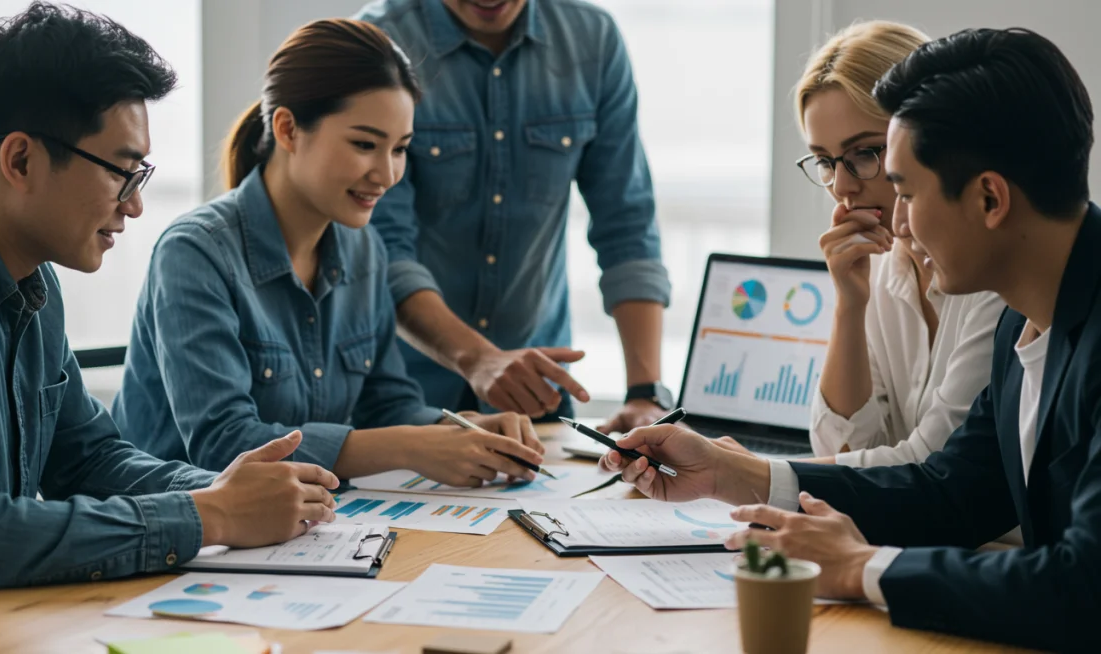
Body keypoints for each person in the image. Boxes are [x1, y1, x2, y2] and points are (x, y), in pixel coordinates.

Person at [601, 27, 1101, 651]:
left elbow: (1087, 585)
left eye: (908, 191)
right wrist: (729, 472)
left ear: (989, 198)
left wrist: (860, 567)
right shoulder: (1021, 325)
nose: (897, 219)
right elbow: (951, 491)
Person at [0, 3, 341, 622]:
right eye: (120, 173)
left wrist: (220, 490)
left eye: (142, 175)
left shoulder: (33, 281)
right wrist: (211, 514)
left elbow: (89, 458)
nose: (134, 208)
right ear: (20, 160)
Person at [113, 19, 546, 487]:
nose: (386, 174)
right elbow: (224, 443)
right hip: (177, 537)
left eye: (400, 149)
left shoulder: (365, 250)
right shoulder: (195, 252)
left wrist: (459, 429)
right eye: (364, 144)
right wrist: (411, 447)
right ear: (288, 129)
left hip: (294, 534)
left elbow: (387, 404)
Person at [354, 0, 672, 433]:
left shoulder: (592, 40)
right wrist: (480, 358)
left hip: (537, 393)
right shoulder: (378, 43)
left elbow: (628, 225)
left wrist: (645, 393)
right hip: (406, 400)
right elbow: (382, 248)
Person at [723, 21, 1006, 468]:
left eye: (864, 153)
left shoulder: (996, 276)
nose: (841, 186)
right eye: (824, 161)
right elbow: (842, 452)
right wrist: (848, 308)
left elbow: (934, 466)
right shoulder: (877, 266)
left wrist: (747, 471)